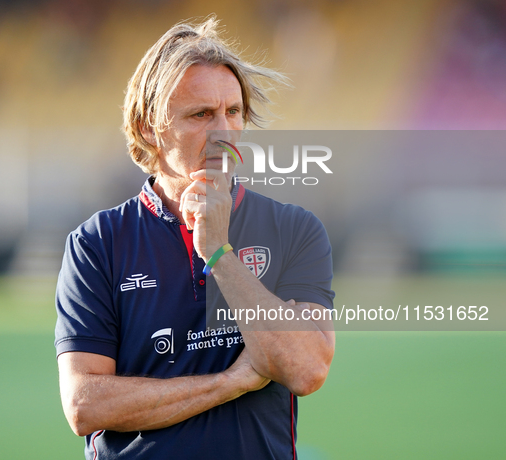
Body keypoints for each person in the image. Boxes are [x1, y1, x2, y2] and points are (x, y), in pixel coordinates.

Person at [55, 17, 335, 460]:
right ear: (150, 128)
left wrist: (220, 253)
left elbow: (305, 369)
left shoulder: (293, 228)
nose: (223, 131)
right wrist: (228, 383)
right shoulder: (97, 243)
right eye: (201, 114)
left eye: (233, 111)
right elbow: (85, 405)